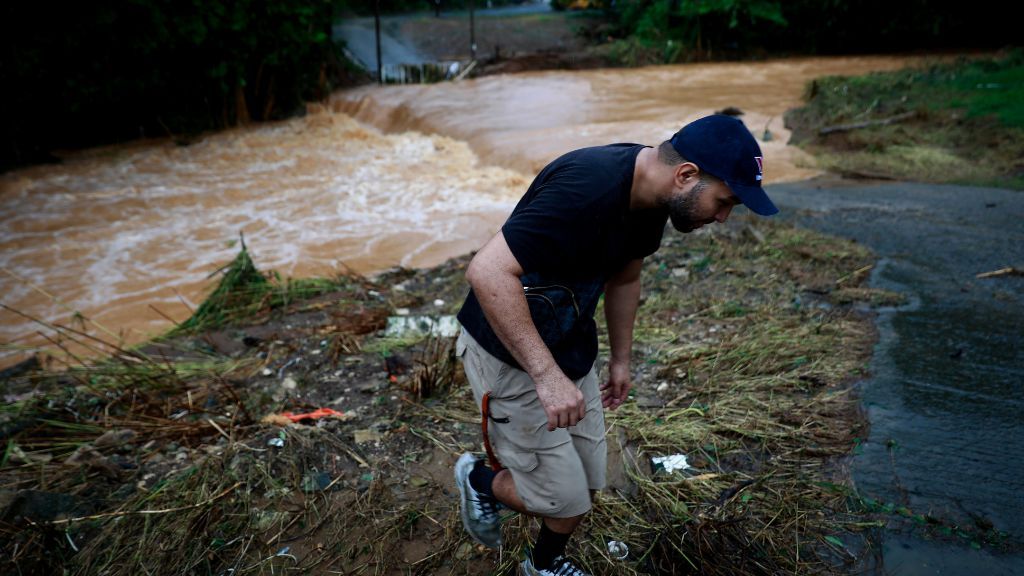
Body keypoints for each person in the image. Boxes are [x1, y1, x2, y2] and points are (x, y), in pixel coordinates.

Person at [453, 114, 778, 576]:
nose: (723, 218)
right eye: (724, 202)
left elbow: (626, 276)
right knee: (560, 499)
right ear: (686, 175)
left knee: (587, 483)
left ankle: (543, 564)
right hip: (508, 352)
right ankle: (478, 479)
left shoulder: (654, 197)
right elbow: (486, 272)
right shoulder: (586, 190)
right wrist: (546, 378)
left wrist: (621, 359)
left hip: (568, 343)